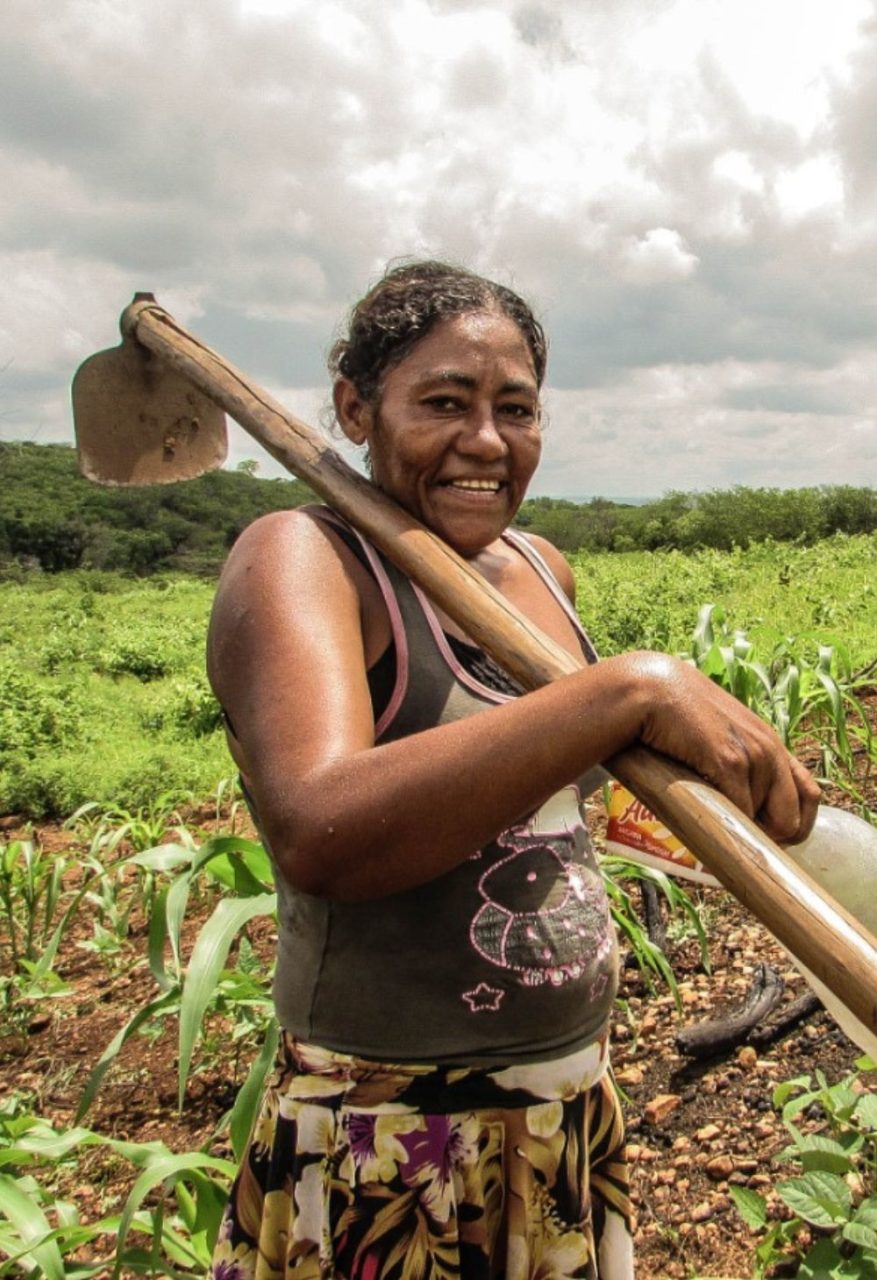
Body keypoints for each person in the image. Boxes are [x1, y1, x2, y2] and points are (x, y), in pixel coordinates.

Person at [207, 261, 819, 1280]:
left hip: (566, 1107)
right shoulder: (304, 558)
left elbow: (550, 785)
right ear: (357, 406)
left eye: (516, 408)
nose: (486, 440)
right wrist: (627, 688)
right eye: (444, 402)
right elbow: (322, 828)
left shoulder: (537, 569)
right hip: (396, 1132)